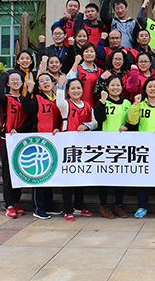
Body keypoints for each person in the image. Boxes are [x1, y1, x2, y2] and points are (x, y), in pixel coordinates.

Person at [127, 78, 155, 219]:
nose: (152, 89)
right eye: (149, 87)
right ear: (145, 89)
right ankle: (142, 206)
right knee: (143, 177)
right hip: (144, 147)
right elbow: (132, 121)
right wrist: (135, 104)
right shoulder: (140, 105)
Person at [21, 73, 62, 219]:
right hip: (40, 142)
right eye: (42, 81)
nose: (45, 82)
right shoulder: (37, 99)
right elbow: (25, 109)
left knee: (50, 175)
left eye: (48, 80)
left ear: (53, 83)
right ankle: (38, 208)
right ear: (38, 86)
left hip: (54, 140)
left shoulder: (58, 99)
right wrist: (29, 91)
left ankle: (49, 206)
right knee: (40, 175)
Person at [57, 75, 96, 220]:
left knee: (80, 176)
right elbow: (59, 101)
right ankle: (68, 210)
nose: (76, 90)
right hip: (67, 145)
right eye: (72, 88)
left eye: (78, 88)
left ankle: (79, 206)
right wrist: (60, 86)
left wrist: (87, 125)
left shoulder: (87, 105)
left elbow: (95, 122)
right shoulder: (66, 105)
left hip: (82, 146)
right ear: (68, 91)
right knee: (68, 178)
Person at [94, 75, 133, 219]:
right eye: (112, 85)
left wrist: (127, 126)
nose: (115, 88)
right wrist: (102, 102)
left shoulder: (127, 103)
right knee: (104, 176)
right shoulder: (102, 102)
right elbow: (99, 118)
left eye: (118, 85)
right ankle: (103, 206)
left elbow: (132, 121)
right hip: (105, 144)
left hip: (122, 145)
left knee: (120, 176)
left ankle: (118, 205)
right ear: (107, 87)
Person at [0, 70, 32, 219]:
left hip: (20, 139)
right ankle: (9, 204)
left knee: (18, 172)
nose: (16, 82)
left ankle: (16, 202)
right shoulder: (5, 98)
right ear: (8, 83)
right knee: (7, 173)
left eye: (18, 79)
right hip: (6, 140)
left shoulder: (24, 99)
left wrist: (19, 130)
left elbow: (30, 119)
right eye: (12, 79)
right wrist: (4, 76)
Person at [67, 42, 104, 108]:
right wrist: (76, 62)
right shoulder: (78, 68)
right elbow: (69, 80)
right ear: (82, 54)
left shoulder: (100, 71)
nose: (89, 54)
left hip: (96, 106)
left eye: (92, 51)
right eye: (86, 51)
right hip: (80, 107)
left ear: (95, 54)